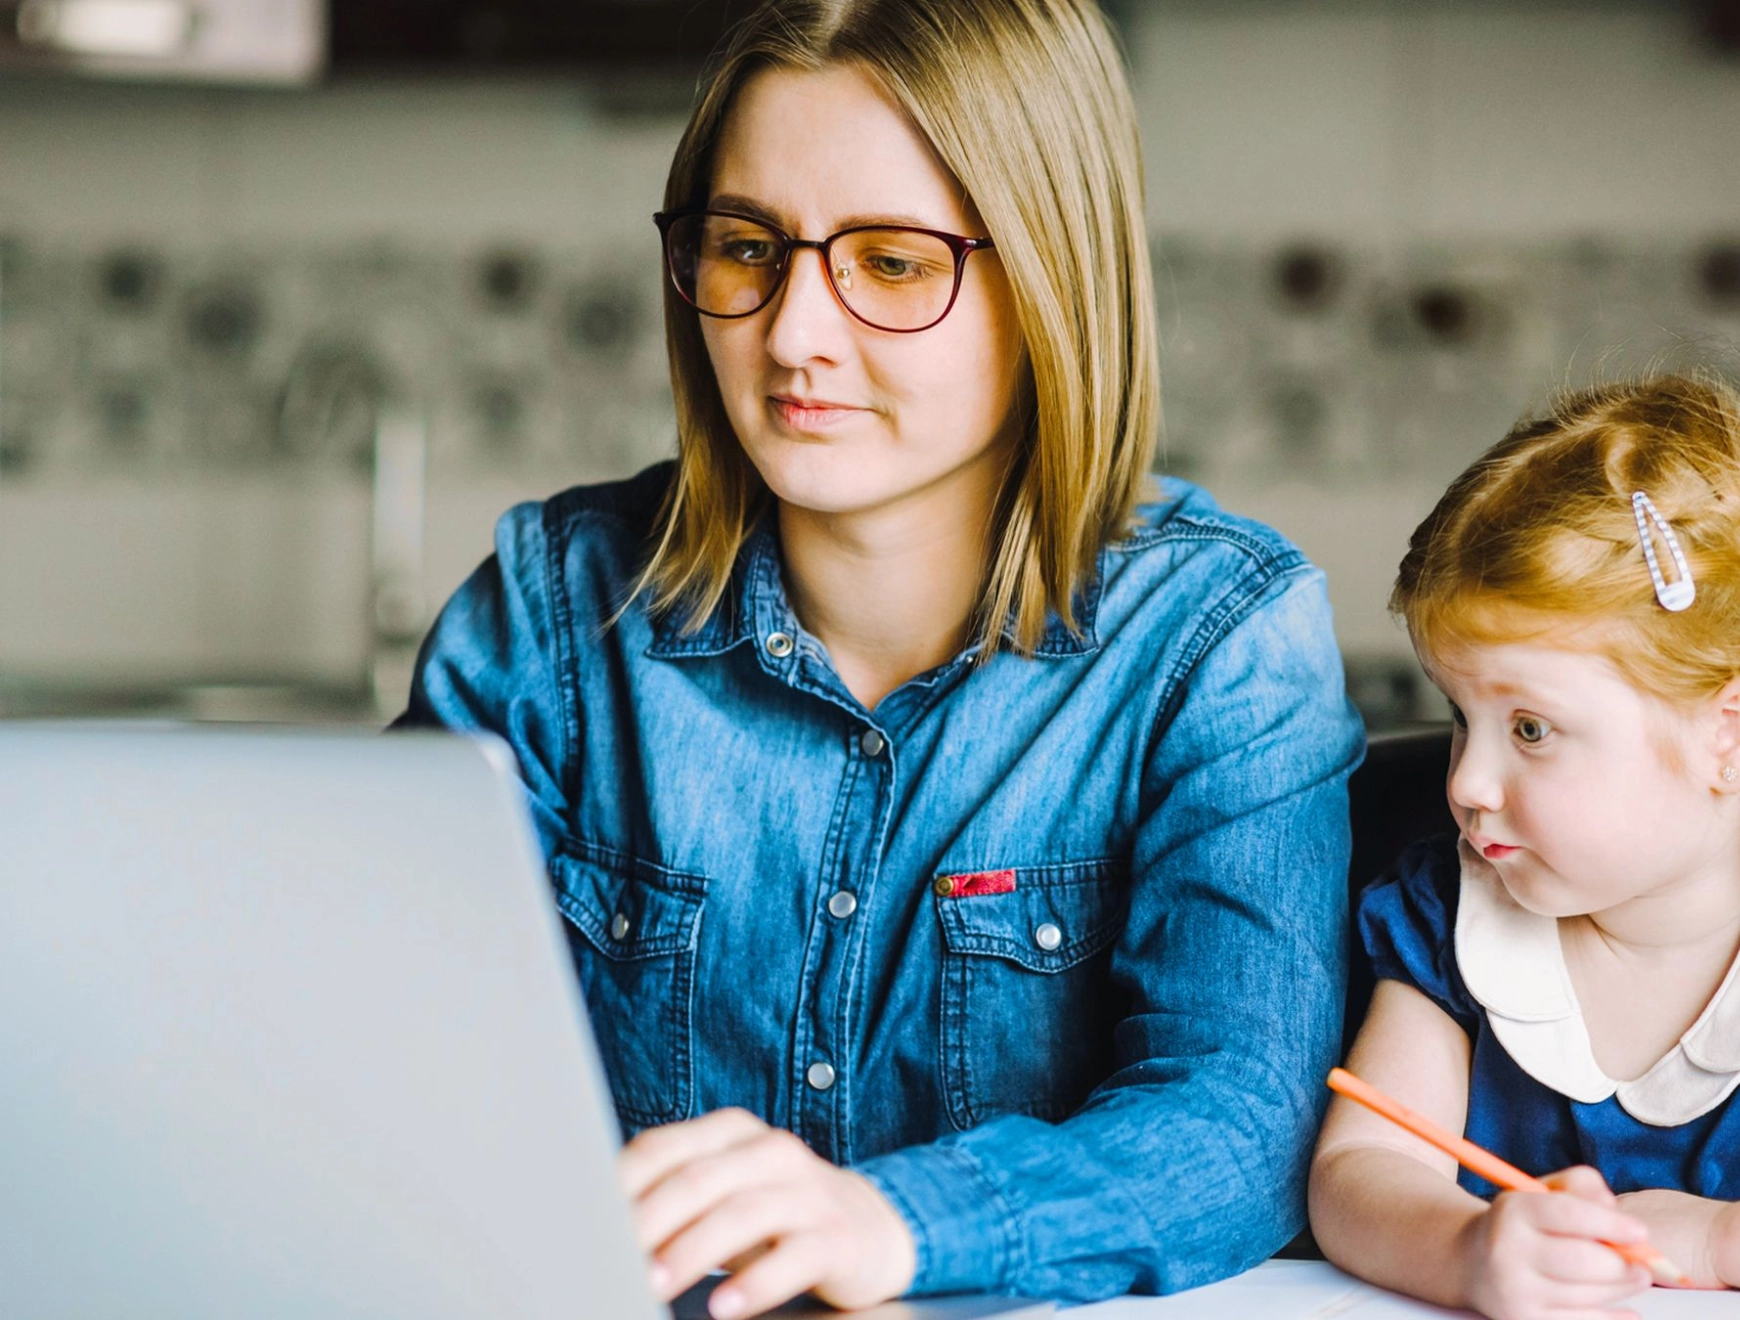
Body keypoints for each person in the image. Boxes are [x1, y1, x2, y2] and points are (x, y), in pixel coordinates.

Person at [396, 1, 1363, 1316]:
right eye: (748, 249)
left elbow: (1238, 1130)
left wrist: (893, 1222)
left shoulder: (1219, 637)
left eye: (894, 264)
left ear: (1051, 277)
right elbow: (383, 1071)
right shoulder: (550, 614)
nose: (792, 336)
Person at [1309, 375, 1740, 1318]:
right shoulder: (1452, 922)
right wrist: (1467, 1250)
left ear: (1736, 735)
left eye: (1532, 729)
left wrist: (1718, 1241)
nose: (1463, 781)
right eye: (1463, 717)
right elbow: (1360, 1168)